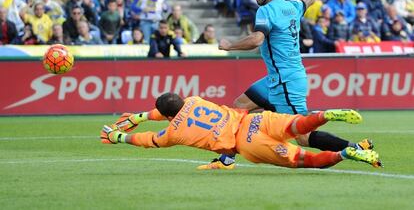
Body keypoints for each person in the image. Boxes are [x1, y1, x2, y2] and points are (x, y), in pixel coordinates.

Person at [207, 0, 371, 169]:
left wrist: (229, 45)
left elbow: (256, 40)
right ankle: (227, 159)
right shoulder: (291, 6)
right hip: (276, 78)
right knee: (239, 106)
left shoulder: (266, 11)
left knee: (303, 135)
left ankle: (356, 148)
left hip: (286, 81)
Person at [101, 93, 382, 169]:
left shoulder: (172, 132)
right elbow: (166, 110)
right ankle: (325, 114)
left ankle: (347, 152)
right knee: (297, 125)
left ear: (168, 116)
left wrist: (119, 136)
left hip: (246, 143)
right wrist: (140, 115)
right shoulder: (196, 100)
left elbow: (149, 139)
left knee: (306, 160)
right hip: (254, 120)